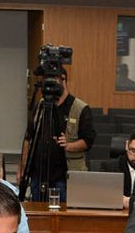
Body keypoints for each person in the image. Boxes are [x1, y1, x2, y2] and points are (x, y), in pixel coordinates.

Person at [20, 70, 95, 202]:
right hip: (38, 172)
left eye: (53, 80)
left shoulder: (80, 108)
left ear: (63, 79)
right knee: (37, 209)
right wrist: (22, 167)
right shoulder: (41, 105)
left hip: (64, 174)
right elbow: (28, 137)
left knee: (61, 211)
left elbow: (88, 141)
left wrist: (68, 145)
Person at [99, 128, 135, 210]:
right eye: (133, 151)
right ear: (126, 145)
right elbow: (102, 196)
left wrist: (130, 202)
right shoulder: (110, 168)